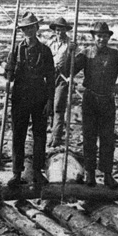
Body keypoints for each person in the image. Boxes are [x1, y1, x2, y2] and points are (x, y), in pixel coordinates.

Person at [60, 22, 118, 188]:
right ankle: (90, 173)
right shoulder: (86, 54)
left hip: (107, 100)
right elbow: (67, 71)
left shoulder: (115, 55)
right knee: (89, 138)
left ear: (109, 37)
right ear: (93, 37)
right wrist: (70, 53)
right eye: (98, 36)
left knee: (107, 139)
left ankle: (107, 174)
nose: (101, 39)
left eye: (104, 36)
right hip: (90, 100)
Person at [5, 12, 55, 187]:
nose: (28, 31)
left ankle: (37, 172)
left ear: (36, 28)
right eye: (25, 28)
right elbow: (9, 77)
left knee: (39, 136)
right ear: (22, 30)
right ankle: (17, 173)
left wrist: (50, 101)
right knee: (18, 134)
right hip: (20, 97)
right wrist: (9, 68)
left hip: (39, 97)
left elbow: (51, 78)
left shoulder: (45, 51)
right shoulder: (16, 50)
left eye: (31, 27)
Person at [47, 17, 73, 148]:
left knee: (58, 106)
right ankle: (51, 133)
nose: (59, 32)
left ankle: (56, 136)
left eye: (62, 29)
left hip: (63, 79)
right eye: (57, 30)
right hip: (50, 77)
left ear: (65, 30)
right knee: (49, 105)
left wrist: (71, 77)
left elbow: (76, 63)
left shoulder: (71, 45)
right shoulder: (50, 43)